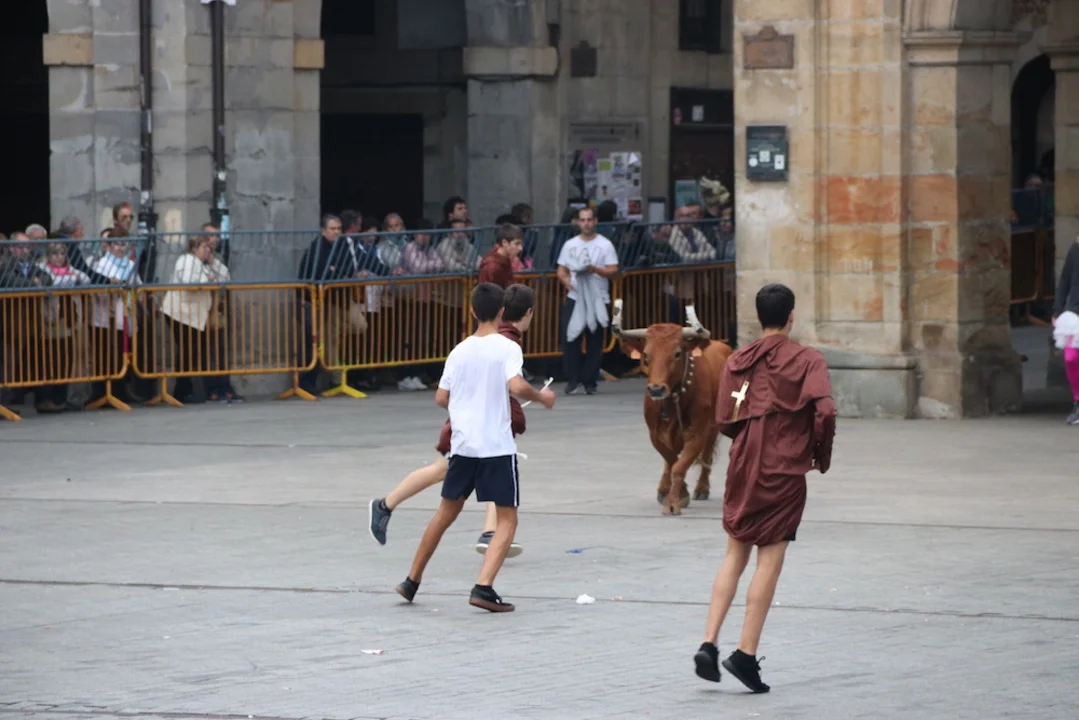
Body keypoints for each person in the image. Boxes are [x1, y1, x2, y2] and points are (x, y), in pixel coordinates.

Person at [694, 283, 837, 693]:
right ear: (791, 316)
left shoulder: (738, 359)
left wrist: (746, 440)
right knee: (769, 561)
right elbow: (825, 411)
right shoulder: (808, 359)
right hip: (784, 466)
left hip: (744, 462)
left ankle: (708, 642)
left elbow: (724, 417)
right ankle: (745, 654)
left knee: (734, 552)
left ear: (759, 317)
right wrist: (819, 453)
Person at [393, 282, 556, 613]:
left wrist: (465, 405)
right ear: (501, 312)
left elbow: (441, 397)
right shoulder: (507, 348)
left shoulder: (459, 351)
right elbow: (516, 385)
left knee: (445, 513)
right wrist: (542, 396)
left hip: (464, 446)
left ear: (471, 311)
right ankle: (483, 587)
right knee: (507, 519)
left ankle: (411, 580)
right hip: (496, 447)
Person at [369, 283, 537, 555]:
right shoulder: (505, 341)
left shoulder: (501, 337)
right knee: (485, 467)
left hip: (472, 423)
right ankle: (385, 505)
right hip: (471, 426)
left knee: (468, 468)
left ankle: (387, 505)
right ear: (528, 312)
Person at [556, 206, 619, 395]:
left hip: (598, 297)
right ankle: (572, 379)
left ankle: (590, 381)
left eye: (589, 220)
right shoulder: (570, 244)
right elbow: (561, 270)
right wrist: (568, 284)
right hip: (575, 297)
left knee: (595, 340)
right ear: (578, 222)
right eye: (582, 220)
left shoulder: (605, 245)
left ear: (595, 221)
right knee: (570, 338)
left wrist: (594, 269)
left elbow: (613, 269)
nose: (586, 224)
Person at [1053, 233, 1079, 424]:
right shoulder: (1075, 249)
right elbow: (1064, 281)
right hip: (1074, 311)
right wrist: (1057, 309)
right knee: (1071, 357)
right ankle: (1078, 401)